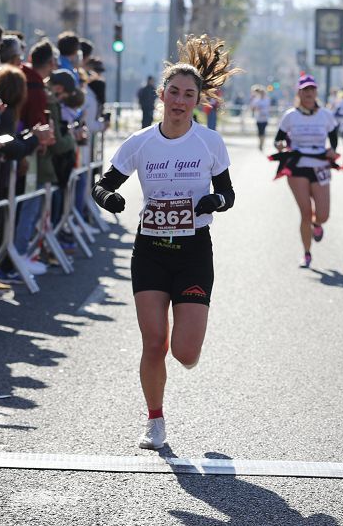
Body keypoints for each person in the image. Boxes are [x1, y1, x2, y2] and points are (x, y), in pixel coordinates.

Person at [91, 35, 237, 450]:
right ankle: (155, 421)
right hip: (151, 252)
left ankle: (187, 349)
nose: (180, 100)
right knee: (155, 342)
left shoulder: (210, 142)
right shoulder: (140, 143)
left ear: (197, 101)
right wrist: (110, 198)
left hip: (193, 252)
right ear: (162, 94)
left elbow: (229, 193)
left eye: (188, 94)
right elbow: (103, 184)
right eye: (174, 92)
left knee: (185, 353)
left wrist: (215, 200)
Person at [274, 74, 338, 268]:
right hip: (297, 167)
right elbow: (278, 138)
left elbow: (334, 137)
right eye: (305, 90)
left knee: (323, 215)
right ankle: (307, 253)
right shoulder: (290, 116)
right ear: (299, 92)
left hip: (320, 166)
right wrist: (280, 145)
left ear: (316, 92)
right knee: (305, 213)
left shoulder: (325, 115)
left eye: (312, 89)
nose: (309, 93)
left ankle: (317, 225)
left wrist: (332, 150)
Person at [250, 85, 271, 150]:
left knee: (263, 131)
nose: (262, 94)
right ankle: (260, 142)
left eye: (263, 93)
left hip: (265, 118)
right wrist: (256, 108)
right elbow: (252, 108)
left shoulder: (267, 100)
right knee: (259, 132)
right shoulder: (256, 100)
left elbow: (268, 108)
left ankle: (262, 143)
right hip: (258, 118)